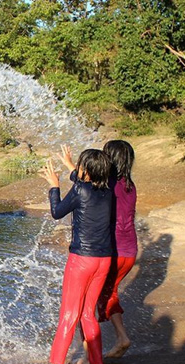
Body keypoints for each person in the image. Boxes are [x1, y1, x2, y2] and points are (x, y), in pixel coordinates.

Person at [40, 147, 113, 364]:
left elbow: (57, 212)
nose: (78, 170)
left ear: (88, 172)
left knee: (68, 317)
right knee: (88, 314)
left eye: (81, 166)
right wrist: (70, 165)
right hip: (104, 259)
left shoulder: (80, 190)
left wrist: (54, 187)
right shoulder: (108, 190)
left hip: (82, 260)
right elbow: (84, 182)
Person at [96, 140, 137, 358]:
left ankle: (120, 338)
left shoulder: (108, 185)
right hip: (130, 252)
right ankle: (117, 337)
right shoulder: (130, 185)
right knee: (109, 291)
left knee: (101, 293)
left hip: (113, 251)